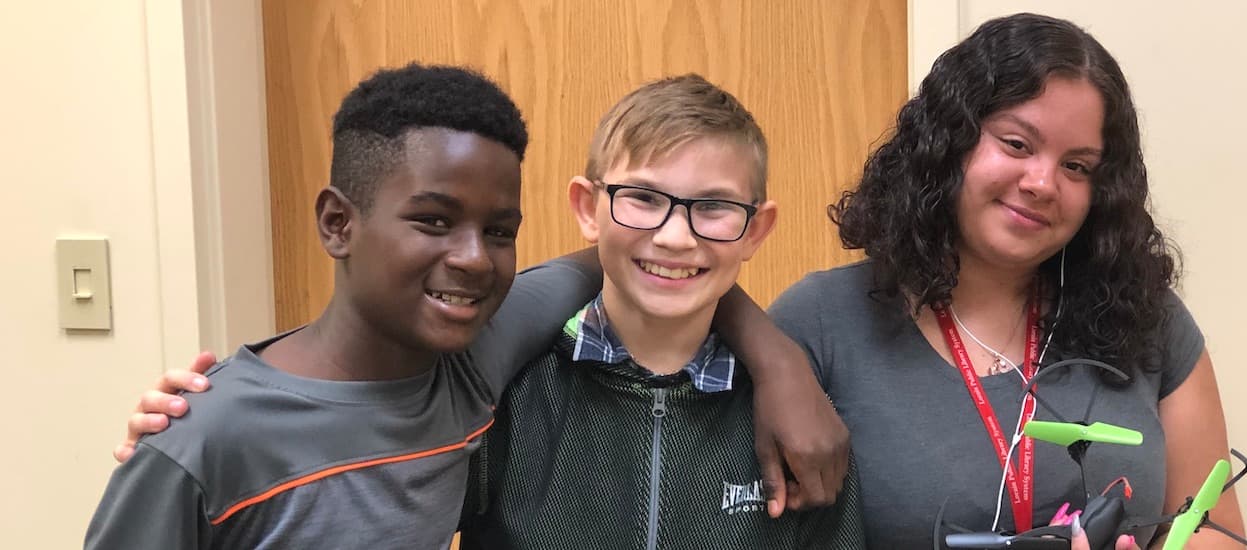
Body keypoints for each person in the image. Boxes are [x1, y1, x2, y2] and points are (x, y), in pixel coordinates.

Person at [89, 64, 845, 549]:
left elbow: (654, 258)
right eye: (432, 220)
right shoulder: (210, 433)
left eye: (500, 232)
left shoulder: (480, 362)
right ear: (336, 222)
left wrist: (776, 358)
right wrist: (186, 441)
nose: (474, 258)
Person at [766, 13, 1243, 549]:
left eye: (1078, 167)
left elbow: (1214, 524)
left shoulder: (1149, 319)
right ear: (949, 142)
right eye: (1017, 144)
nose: (1042, 183)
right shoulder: (820, 323)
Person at [463, 74, 863, 549]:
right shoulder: (512, 393)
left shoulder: (801, 423)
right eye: (644, 199)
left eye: (713, 206)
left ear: (755, 231)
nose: (675, 237)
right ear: (588, 208)